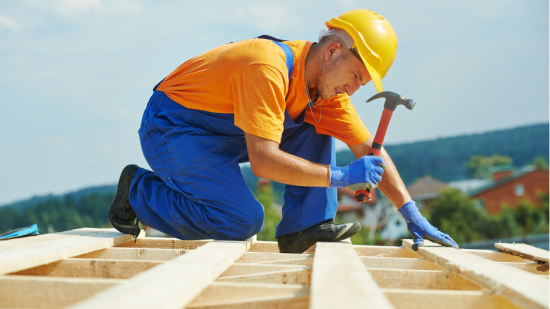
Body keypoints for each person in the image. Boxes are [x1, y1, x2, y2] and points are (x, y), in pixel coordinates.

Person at [108, 9, 459, 253]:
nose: (353, 89)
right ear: (333, 51)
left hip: (224, 133)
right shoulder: (266, 67)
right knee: (241, 221)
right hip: (173, 127)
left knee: (316, 122)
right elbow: (263, 161)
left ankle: (303, 228)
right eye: (355, 77)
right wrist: (340, 175)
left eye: (362, 84)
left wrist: (410, 211)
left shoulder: (325, 92)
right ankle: (137, 192)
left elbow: (369, 150)